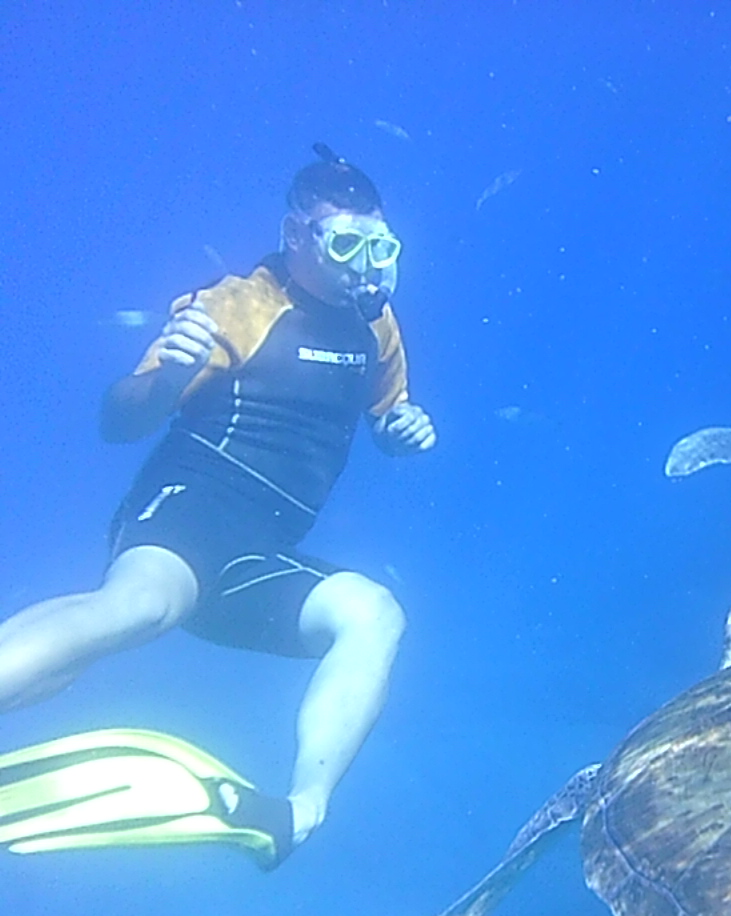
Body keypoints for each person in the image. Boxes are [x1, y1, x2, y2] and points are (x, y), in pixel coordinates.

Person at [0, 144, 435, 869]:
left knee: (375, 614)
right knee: (141, 609)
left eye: (378, 244)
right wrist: (170, 375)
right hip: (185, 511)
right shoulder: (240, 303)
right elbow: (121, 421)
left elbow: (387, 413)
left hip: (259, 557)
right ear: (296, 237)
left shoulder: (376, 328)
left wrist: (399, 431)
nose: (363, 263)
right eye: (344, 243)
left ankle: (296, 814)